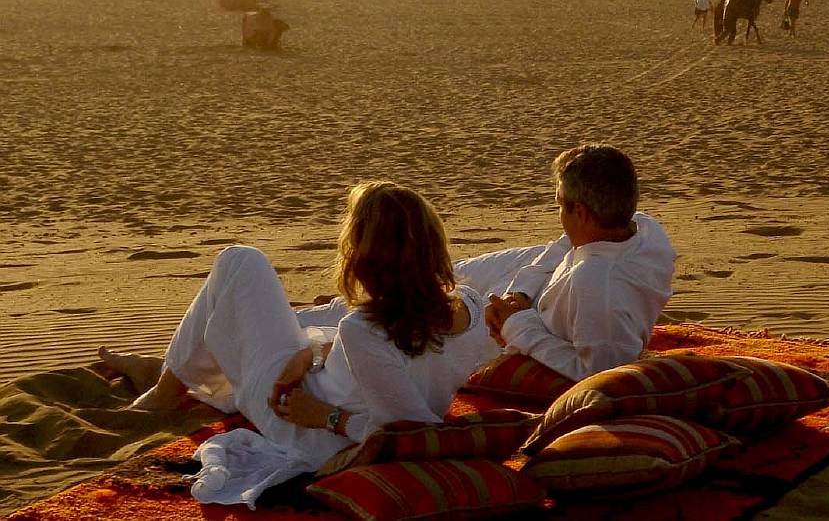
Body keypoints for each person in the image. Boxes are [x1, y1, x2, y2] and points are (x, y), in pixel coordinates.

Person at [98, 182, 494, 507]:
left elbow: (402, 434)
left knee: (238, 261)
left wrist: (322, 415)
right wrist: (313, 353)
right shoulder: (472, 309)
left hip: (299, 418)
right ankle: (173, 378)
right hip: (321, 380)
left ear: (362, 255)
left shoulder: (364, 329)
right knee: (292, 323)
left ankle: (165, 391)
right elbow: (404, 371)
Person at [456, 144, 676, 382]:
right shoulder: (644, 228)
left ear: (580, 213)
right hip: (530, 275)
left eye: (561, 205)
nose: (559, 214)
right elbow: (563, 245)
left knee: (432, 313)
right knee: (445, 272)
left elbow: (597, 372)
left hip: (520, 325)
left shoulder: (597, 283)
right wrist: (520, 293)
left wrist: (514, 323)